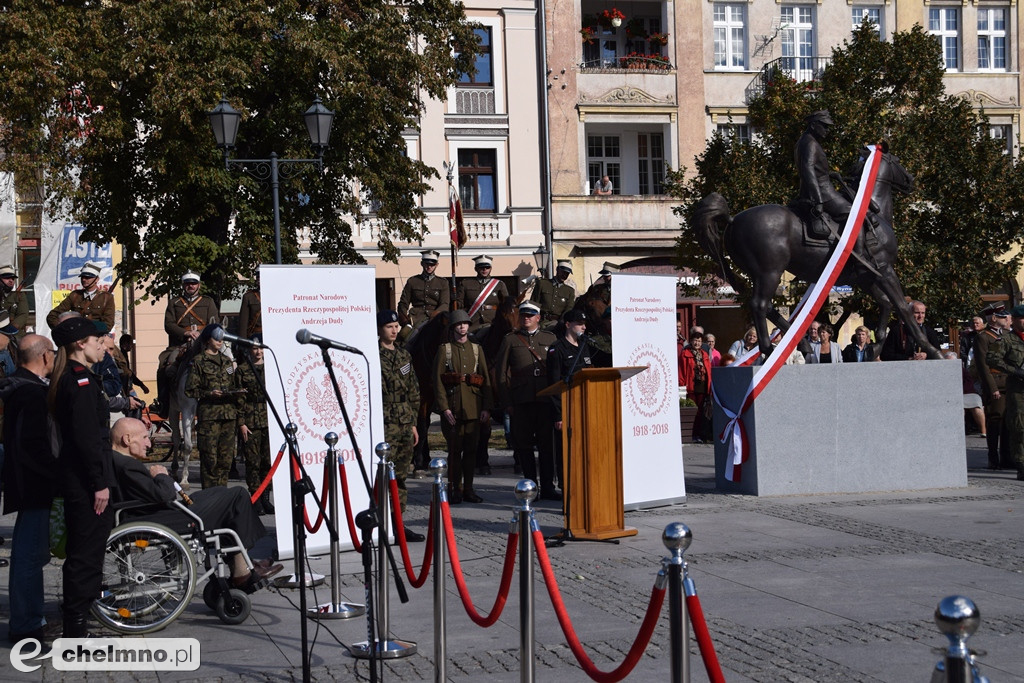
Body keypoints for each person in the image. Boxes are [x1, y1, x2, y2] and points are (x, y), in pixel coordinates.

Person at [108, 417, 282, 592]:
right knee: (237, 496)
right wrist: (161, 475)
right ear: (127, 439)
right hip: (161, 519)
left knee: (220, 492)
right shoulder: (127, 465)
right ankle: (242, 570)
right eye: (145, 437)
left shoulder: (115, 460)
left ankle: (242, 565)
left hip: (152, 515)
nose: (149, 444)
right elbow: (164, 494)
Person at [49, 316, 115, 637]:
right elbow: (88, 439)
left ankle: (80, 618)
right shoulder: (78, 381)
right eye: (95, 340)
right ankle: (75, 630)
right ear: (80, 344)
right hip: (86, 481)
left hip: (82, 478)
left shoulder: (74, 377)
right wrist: (100, 483)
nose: (100, 345)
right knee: (85, 554)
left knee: (84, 551)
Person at [1, 334, 57, 643]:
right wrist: (55, 473)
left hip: (28, 481)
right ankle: (26, 624)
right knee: (29, 556)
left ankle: (30, 618)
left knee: (31, 553)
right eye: (51, 353)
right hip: (34, 484)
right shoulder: (32, 394)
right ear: (45, 357)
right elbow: (32, 446)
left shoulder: (20, 387)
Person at [496, 301, 560, 500]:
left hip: (545, 400)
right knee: (523, 446)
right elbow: (501, 374)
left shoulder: (550, 338)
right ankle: (531, 485)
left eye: (530, 315)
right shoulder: (510, 340)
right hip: (521, 400)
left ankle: (548, 486)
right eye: (523, 315)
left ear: (538, 318)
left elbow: (556, 370)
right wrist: (507, 402)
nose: (526, 318)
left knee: (546, 446)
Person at [433, 309, 492, 504]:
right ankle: (454, 488)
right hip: (453, 407)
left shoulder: (477, 349)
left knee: (471, 451)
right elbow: (438, 381)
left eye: (465, 323)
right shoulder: (445, 349)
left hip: (473, 407)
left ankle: (469, 489)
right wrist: (444, 408)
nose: (462, 326)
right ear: (453, 327)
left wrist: (486, 407)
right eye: (458, 324)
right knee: (454, 451)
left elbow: (486, 380)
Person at [378, 310, 424, 537]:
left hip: (405, 421)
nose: (394, 331)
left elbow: (414, 390)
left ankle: (398, 524)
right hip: (384, 421)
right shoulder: (373, 355)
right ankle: (381, 522)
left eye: (396, 326)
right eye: (389, 327)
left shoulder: (404, 356)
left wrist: (413, 423)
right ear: (380, 330)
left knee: (401, 476)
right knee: (383, 476)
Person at [185, 324, 240, 489]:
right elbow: (190, 390)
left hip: (228, 416)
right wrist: (209, 393)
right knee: (210, 459)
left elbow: (233, 382)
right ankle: (210, 497)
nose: (220, 341)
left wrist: (237, 391)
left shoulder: (228, 362)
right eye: (217, 337)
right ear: (208, 339)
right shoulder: (198, 362)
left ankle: (222, 495)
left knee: (225, 459)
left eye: (222, 338)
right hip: (209, 417)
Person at [795, 110, 850, 239]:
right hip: (823, 193)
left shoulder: (803, 140)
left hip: (816, 189)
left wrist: (829, 174)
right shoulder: (811, 144)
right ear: (813, 125)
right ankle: (858, 255)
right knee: (855, 215)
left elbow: (814, 169)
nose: (827, 130)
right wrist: (818, 200)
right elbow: (808, 170)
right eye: (824, 126)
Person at [234, 337, 274, 515]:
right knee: (253, 462)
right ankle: (255, 498)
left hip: (269, 419)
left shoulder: (272, 368)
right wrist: (241, 423)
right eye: (254, 348)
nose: (257, 351)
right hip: (250, 420)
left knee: (268, 461)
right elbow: (239, 399)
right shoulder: (243, 370)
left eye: (260, 348)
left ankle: (266, 497)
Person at [985, 304, 1024, 480]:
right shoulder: (1006, 340)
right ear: (1014, 320)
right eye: (1022, 318)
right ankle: (1021, 464)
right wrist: (1014, 371)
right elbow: (992, 359)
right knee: (1019, 427)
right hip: (1018, 390)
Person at [974, 304, 1013, 469]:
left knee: (1007, 423)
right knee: (995, 421)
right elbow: (983, 366)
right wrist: (992, 388)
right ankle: (993, 457)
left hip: (1009, 383)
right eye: (1001, 316)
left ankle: (1006, 457)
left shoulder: (1006, 334)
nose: (1005, 319)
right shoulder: (983, 337)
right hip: (995, 383)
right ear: (994, 318)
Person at [45, 261, 116, 331]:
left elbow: (108, 324)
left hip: (95, 337)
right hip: (75, 336)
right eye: (82, 277)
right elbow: (52, 316)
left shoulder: (106, 298)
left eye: (88, 277)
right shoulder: (75, 295)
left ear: (96, 279)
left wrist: (84, 328)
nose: (84, 280)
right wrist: (63, 330)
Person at [164, 271, 220, 347]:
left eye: (194, 283)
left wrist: (200, 333)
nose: (191, 286)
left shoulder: (208, 301)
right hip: (181, 343)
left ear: (199, 285)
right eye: (187, 283)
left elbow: (214, 323)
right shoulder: (174, 302)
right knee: (171, 358)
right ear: (183, 285)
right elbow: (169, 324)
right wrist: (186, 333)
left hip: (204, 342)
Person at [456, 254, 509, 332]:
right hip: (472, 322)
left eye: (487, 267)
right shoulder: (465, 283)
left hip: (493, 321)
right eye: (481, 267)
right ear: (475, 269)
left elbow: (506, 305)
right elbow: (459, 305)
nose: (484, 270)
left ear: (491, 268)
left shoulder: (499, 284)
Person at [398, 250, 449, 329]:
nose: (429, 267)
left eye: (432, 264)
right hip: (415, 319)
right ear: (421, 263)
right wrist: (405, 320)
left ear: (437, 265)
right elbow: (403, 303)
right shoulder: (412, 281)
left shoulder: (443, 283)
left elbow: (445, 304)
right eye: (427, 264)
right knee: (403, 338)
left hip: (436, 318)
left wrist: (436, 314)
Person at [679, 328, 712, 442]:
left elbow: (708, 370)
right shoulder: (685, 354)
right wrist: (682, 386)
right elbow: (681, 371)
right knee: (694, 412)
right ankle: (693, 434)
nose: (696, 343)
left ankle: (701, 434)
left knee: (702, 413)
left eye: (699, 341)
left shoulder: (704, 354)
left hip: (703, 387)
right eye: (694, 340)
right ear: (691, 341)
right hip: (691, 387)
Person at [531, 260, 575, 331]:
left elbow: (568, 309)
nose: (564, 275)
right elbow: (534, 302)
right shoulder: (543, 284)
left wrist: (561, 322)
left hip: (557, 324)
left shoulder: (569, 291)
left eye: (567, 274)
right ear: (557, 269)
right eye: (563, 272)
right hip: (540, 321)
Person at [0, 264, 29, 334]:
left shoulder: (19, 295)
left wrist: (14, 326)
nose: (11, 281)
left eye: (12, 279)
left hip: (13, 331)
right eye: (7, 278)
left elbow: (23, 314)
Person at [237, 276, 262, 341]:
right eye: (258, 277)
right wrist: (243, 342)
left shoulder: (276, 295)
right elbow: (243, 323)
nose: (259, 279)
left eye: (262, 276)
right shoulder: (249, 296)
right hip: (255, 337)